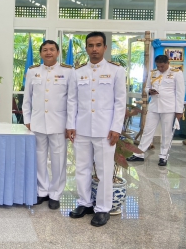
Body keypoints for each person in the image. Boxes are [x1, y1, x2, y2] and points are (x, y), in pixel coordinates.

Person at [66, 31, 126, 227]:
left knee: (104, 171)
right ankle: (84, 203)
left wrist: (116, 127)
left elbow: (120, 102)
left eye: (98, 45)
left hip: (105, 130)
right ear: (86, 48)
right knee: (82, 168)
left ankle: (102, 209)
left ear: (105, 48)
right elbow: (72, 101)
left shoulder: (116, 71)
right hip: (82, 128)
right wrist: (70, 125)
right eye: (90, 45)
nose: (94, 49)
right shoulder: (78, 72)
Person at [22, 40, 75, 210]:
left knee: (59, 159)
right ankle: (42, 191)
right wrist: (27, 120)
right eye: (45, 50)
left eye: (52, 49)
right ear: (41, 54)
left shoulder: (68, 72)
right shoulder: (33, 71)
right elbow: (27, 99)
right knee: (39, 158)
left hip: (59, 124)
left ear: (58, 52)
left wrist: (70, 124)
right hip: (37, 123)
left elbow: (72, 101)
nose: (48, 52)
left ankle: (55, 193)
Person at [127, 55, 184, 166]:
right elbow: (147, 87)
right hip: (154, 106)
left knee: (166, 132)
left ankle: (163, 156)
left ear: (168, 63)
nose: (160, 69)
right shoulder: (153, 73)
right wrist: (149, 91)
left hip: (169, 108)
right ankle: (139, 154)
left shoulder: (177, 73)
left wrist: (179, 111)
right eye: (158, 66)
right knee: (147, 130)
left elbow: (180, 93)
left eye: (162, 66)